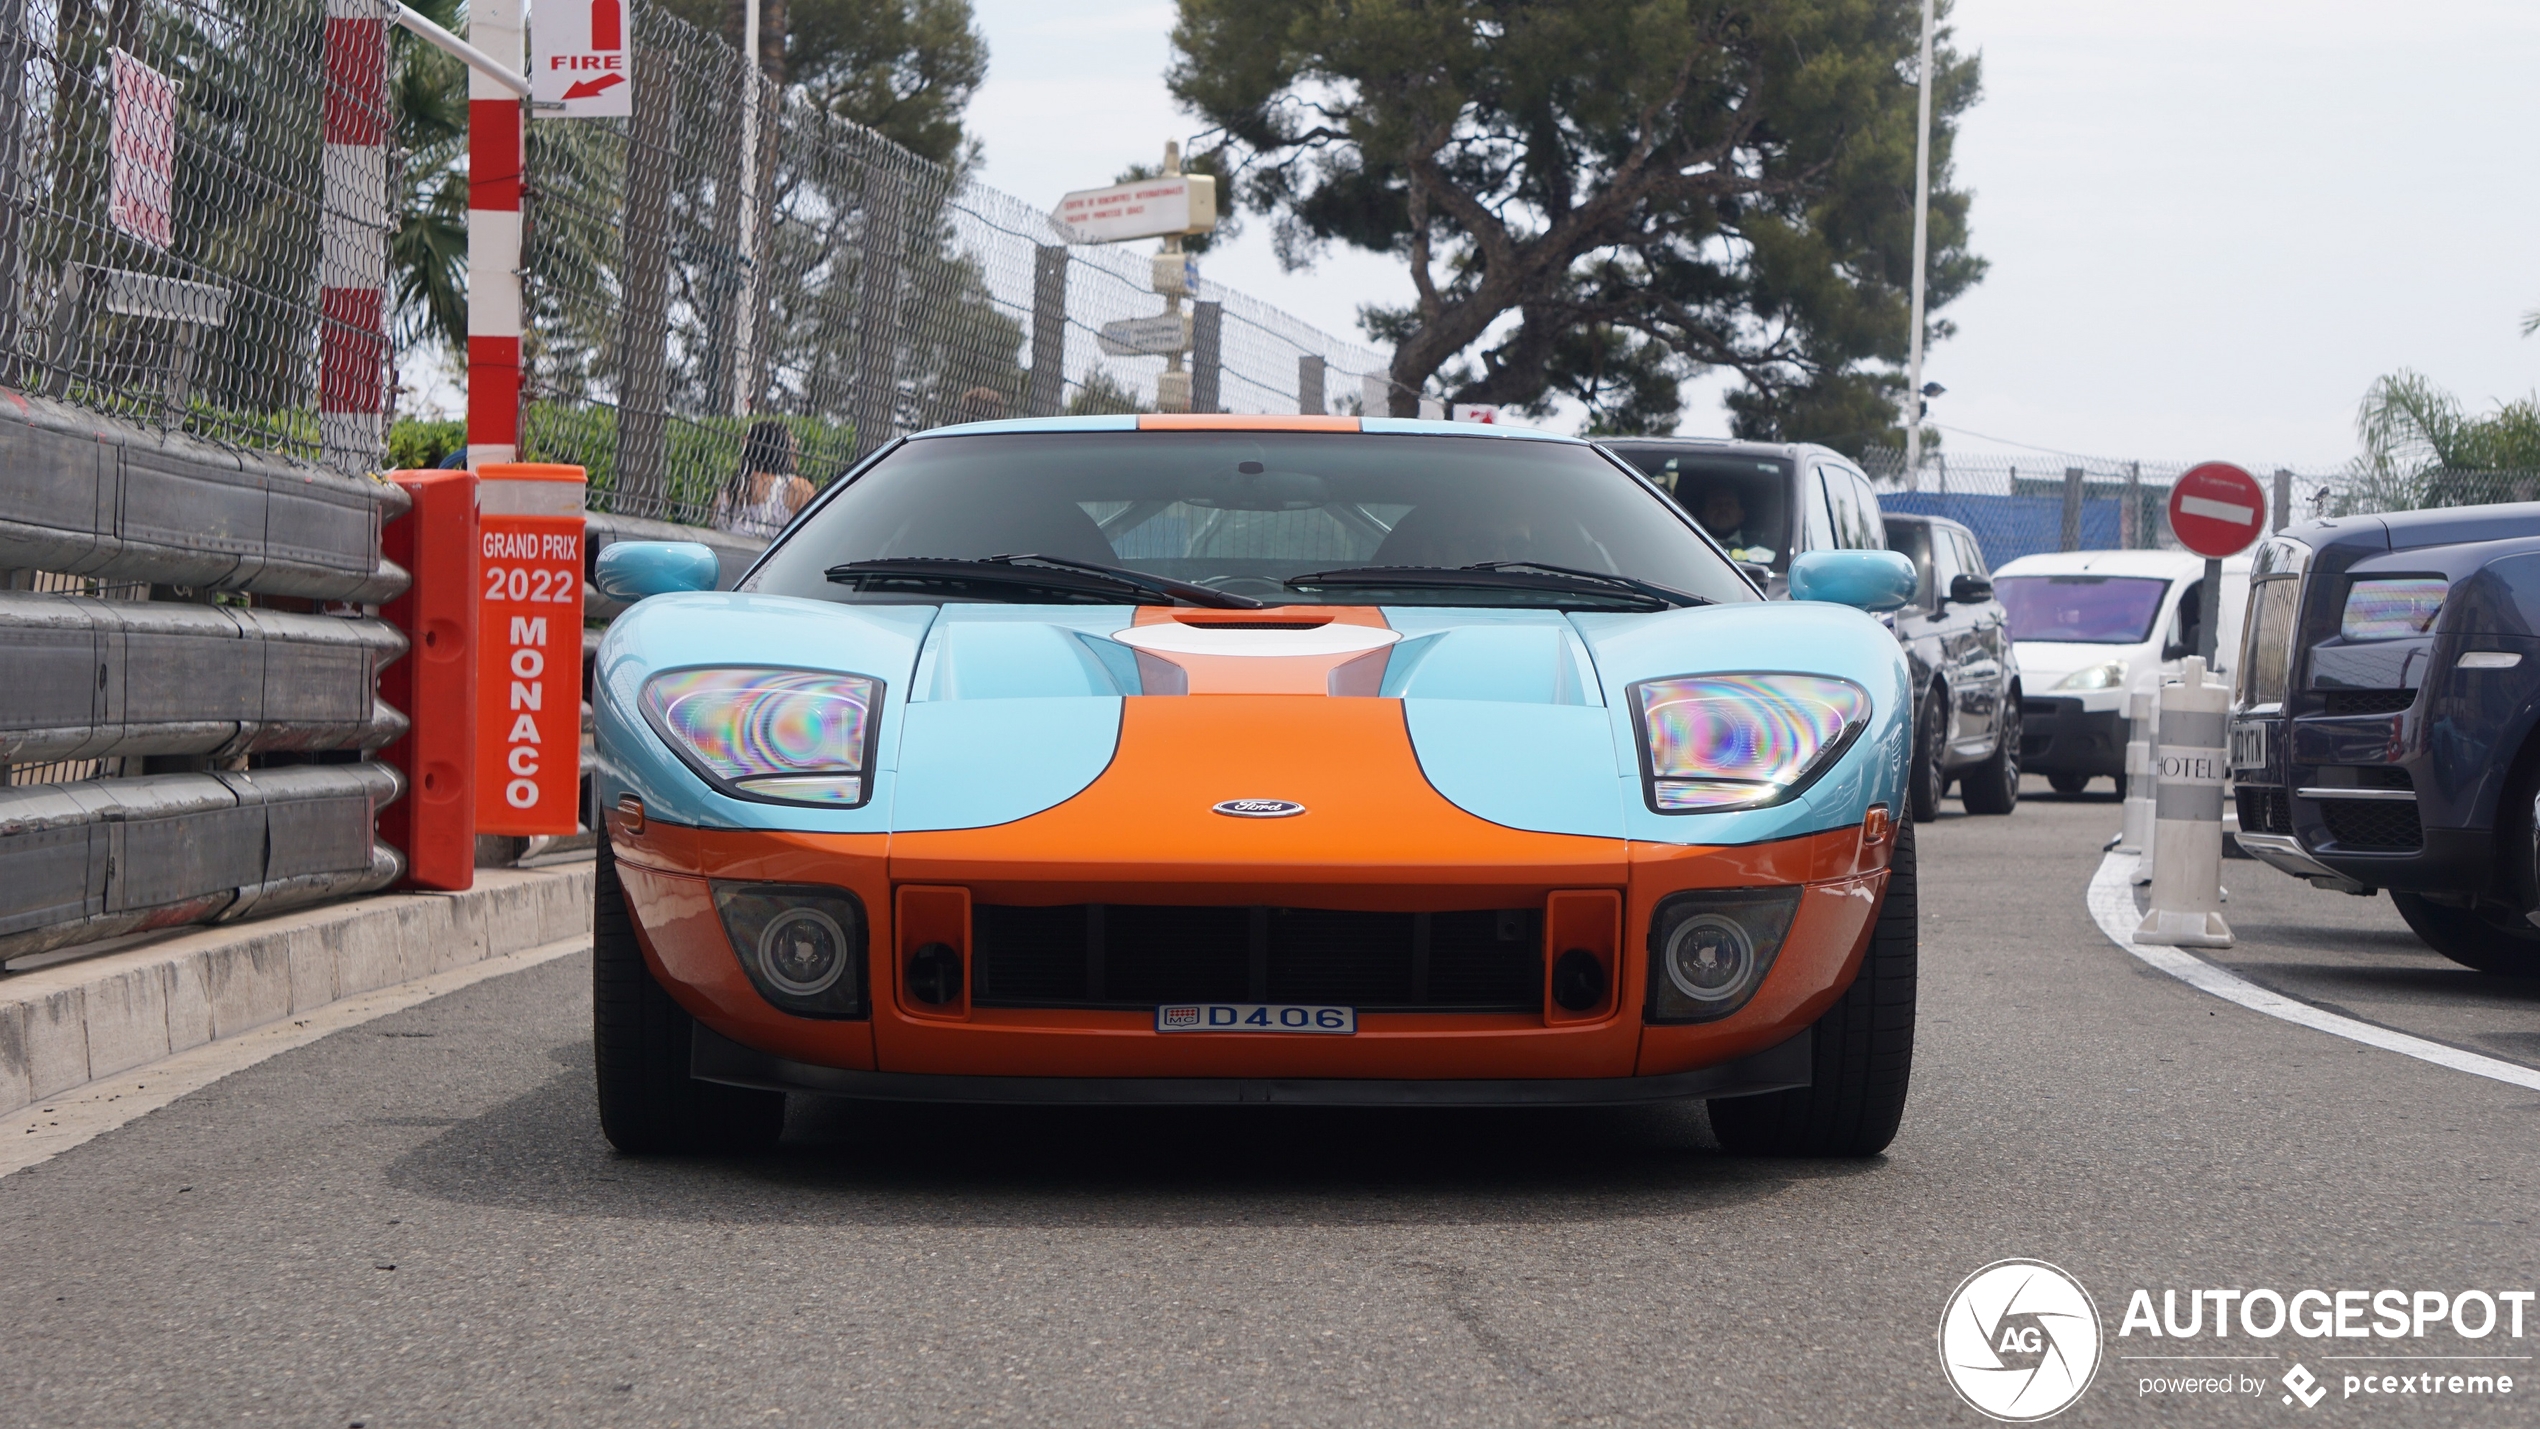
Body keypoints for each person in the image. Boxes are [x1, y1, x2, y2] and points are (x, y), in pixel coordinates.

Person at [711, 420, 815, 539]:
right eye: (793, 445)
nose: (797, 451)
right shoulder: (797, 488)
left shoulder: (728, 492)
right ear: (779, 447)